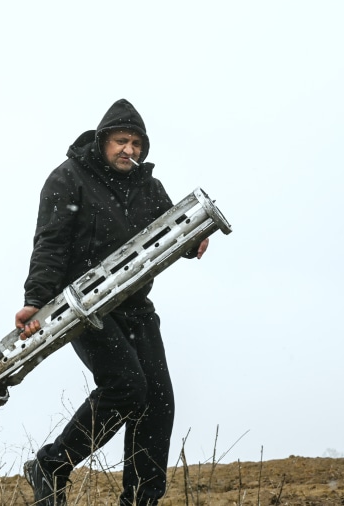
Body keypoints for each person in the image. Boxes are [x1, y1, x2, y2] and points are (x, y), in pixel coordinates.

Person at [15, 98, 209, 506]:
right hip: (85, 307)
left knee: (158, 399)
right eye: (122, 141)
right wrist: (35, 299)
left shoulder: (148, 186)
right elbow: (50, 241)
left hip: (136, 306)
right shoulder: (69, 178)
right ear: (103, 140)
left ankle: (141, 499)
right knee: (125, 386)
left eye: (137, 144)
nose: (130, 150)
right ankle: (50, 466)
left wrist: (194, 241)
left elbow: (171, 228)